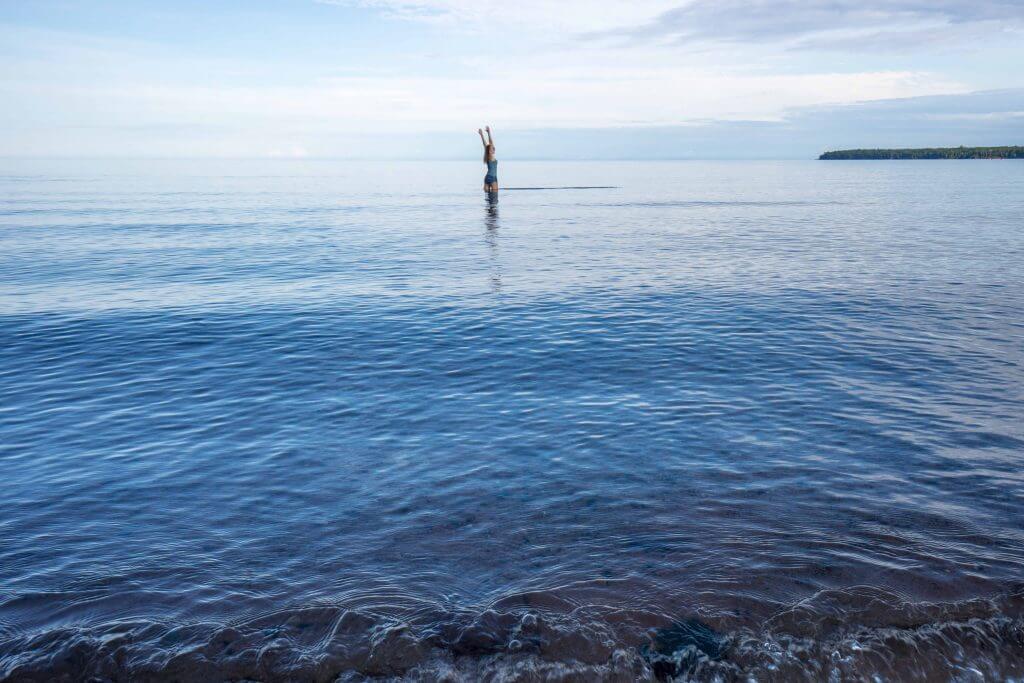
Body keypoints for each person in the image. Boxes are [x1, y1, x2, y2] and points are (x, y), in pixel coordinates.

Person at [478, 126, 498, 193]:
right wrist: (489, 133)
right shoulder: (491, 156)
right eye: (493, 149)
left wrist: (481, 135)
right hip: (492, 178)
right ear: (491, 151)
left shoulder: (488, 157)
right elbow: (490, 143)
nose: (494, 149)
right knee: (494, 198)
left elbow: (485, 145)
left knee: (487, 198)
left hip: (487, 178)